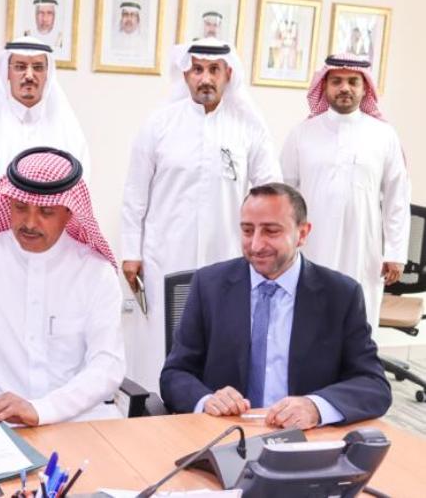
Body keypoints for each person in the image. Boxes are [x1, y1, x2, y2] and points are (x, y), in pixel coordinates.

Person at [160, 183, 392, 428]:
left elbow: (373, 384)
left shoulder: (341, 294)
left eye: (271, 231)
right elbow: (174, 374)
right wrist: (207, 400)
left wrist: (316, 407)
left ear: (302, 234)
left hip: (305, 437)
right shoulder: (209, 285)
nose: (256, 245)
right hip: (225, 433)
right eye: (247, 231)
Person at [121, 38, 281, 391]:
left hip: (226, 253)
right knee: (162, 335)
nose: (205, 78)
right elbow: (134, 194)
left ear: (228, 75)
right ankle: (156, 403)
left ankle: (214, 403)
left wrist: (266, 248)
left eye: (213, 70)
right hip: (166, 252)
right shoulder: (159, 124)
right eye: (197, 70)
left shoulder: (248, 128)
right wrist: (131, 251)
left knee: (222, 332)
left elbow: (272, 191)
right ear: (185, 75)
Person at [0, 148, 125, 426]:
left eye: (46, 211)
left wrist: (42, 409)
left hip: (77, 420)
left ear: (68, 212)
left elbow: (107, 364)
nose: (30, 223)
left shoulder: (96, 271)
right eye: (20, 207)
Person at [281, 54, 410, 330]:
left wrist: (395, 252)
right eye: (336, 81)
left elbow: (397, 197)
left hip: (363, 244)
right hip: (312, 243)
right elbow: (284, 193)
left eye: (353, 81)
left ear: (365, 88)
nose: (345, 88)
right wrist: (283, 242)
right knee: (310, 317)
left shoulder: (383, 135)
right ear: (324, 86)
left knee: (359, 318)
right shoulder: (301, 133)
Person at [0, 37, 91, 238]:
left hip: (49, 243)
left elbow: (79, 190)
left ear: (48, 73)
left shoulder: (67, 130)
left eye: (38, 67)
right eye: (20, 67)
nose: (29, 75)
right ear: (7, 72)